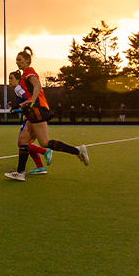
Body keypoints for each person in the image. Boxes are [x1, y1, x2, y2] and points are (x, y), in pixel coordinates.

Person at [5, 47, 88, 181]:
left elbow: (37, 86)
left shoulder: (28, 72)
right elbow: (30, 95)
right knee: (41, 142)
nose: (17, 62)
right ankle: (78, 150)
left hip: (37, 109)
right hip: (38, 108)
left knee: (26, 141)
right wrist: (19, 106)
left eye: (19, 60)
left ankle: (20, 173)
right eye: (16, 60)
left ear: (27, 60)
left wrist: (31, 102)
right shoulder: (25, 75)